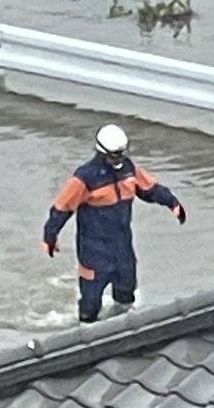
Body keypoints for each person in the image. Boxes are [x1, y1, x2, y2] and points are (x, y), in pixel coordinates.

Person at [43, 123, 186, 323]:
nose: (118, 160)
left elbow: (150, 189)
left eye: (121, 154)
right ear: (102, 153)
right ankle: (85, 333)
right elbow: (62, 207)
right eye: (114, 156)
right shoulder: (85, 177)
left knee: (127, 293)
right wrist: (50, 235)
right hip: (93, 249)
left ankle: (123, 327)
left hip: (122, 247)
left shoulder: (129, 169)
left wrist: (173, 203)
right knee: (90, 304)